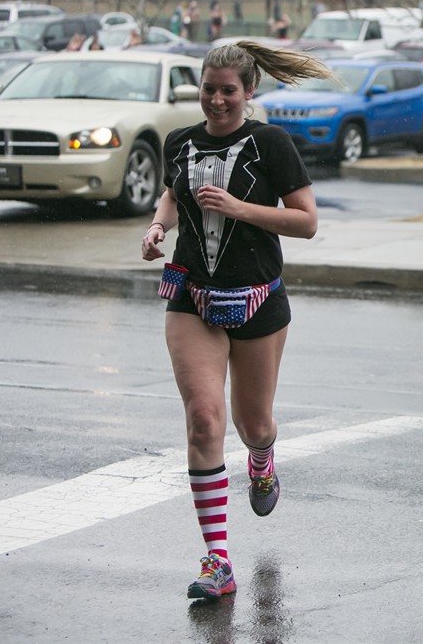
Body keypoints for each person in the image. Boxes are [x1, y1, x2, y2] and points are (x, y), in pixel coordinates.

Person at [141, 41, 338, 600]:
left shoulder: (269, 143)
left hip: (257, 298)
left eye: (228, 90)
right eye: (209, 89)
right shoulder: (180, 141)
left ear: (248, 91)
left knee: (254, 424)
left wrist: (238, 208)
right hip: (192, 296)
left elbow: (306, 222)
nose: (217, 99)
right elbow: (172, 195)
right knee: (204, 419)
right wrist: (157, 227)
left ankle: (261, 457)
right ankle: (218, 561)